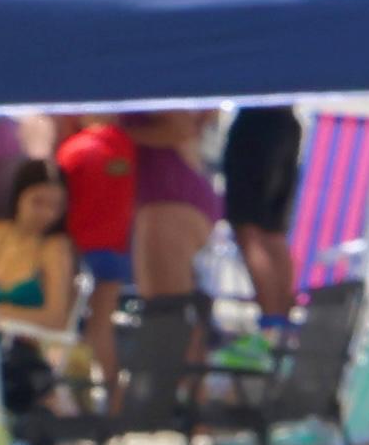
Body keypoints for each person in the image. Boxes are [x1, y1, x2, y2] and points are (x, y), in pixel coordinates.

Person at [54, 113, 142, 384]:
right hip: (115, 250)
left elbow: (59, 199)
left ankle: (61, 386)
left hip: (79, 249)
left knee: (64, 321)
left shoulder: (73, 150)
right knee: (101, 326)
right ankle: (113, 395)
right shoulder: (127, 146)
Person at [125, 108, 223, 302]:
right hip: (167, 196)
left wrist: (114, 133)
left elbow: (182, 130)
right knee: (166, 304)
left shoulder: (149, 83)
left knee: (167, 307)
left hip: (170, 195)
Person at [220, 103, 304, 315]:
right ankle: (279, 322)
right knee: (271, 230)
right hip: (284, 121)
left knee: (249, 228)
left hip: (258, 121)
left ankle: (271, 322)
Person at [0, 157, 74, 326]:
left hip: (22, 347)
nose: (48, 214)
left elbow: (57, 319)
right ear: (19, 196)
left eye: (57, 206)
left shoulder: (55, 248)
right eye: (38, 202)